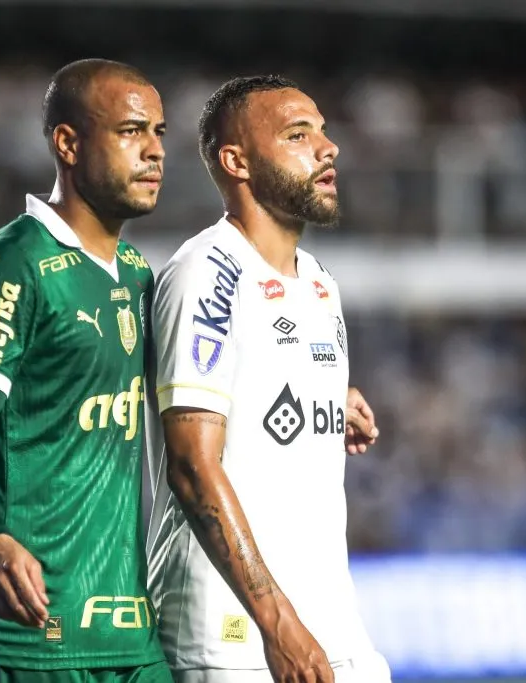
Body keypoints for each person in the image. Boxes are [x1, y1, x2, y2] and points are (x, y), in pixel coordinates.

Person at [145, 75, 391, 683]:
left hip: (331, 618)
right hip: (236, 632)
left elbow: (262, 394)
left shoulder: (319, 281)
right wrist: (275, 621)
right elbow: (192, 466)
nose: (328, 148)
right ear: (237, 162)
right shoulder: (207, 271)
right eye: (297, 134)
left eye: (323, 132)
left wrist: (334, 401)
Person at [0, 58, 172, 683]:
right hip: (25, 628)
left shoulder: (137, 273)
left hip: (126, 628)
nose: (153, 151)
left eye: (159, 132)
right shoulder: (14, 263)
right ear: (67, 143)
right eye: (130, 131)